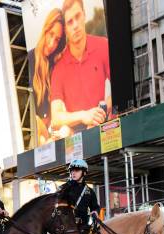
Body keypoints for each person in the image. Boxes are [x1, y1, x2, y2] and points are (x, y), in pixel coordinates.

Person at [50, 0, 112, 135]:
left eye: (77, 16)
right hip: (77, 134)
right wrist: (84, 116)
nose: (76, 25)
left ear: (84, 15)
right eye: (70, 22)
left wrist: (99, 113)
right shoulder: (59, 68)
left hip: (104, 125)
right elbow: (56, 117)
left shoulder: (103, 46)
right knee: (64, 132)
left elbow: (120, 85)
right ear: (65, 29)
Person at [27, 9, 66, 145]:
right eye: (51, 35)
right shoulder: (28, 60)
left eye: (57, 40)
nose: (51, 44)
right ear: (45, 30)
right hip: (33, 134)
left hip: (51, 134)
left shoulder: (55, 65)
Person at [63, 159, 100, 234]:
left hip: (83, 227)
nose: (73, 172)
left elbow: (95, 207)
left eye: (76, 170)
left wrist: (95, 212)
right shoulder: (63, 188)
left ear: (84, 172)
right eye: (71, 170)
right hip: (66, 227)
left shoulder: (89, 191)